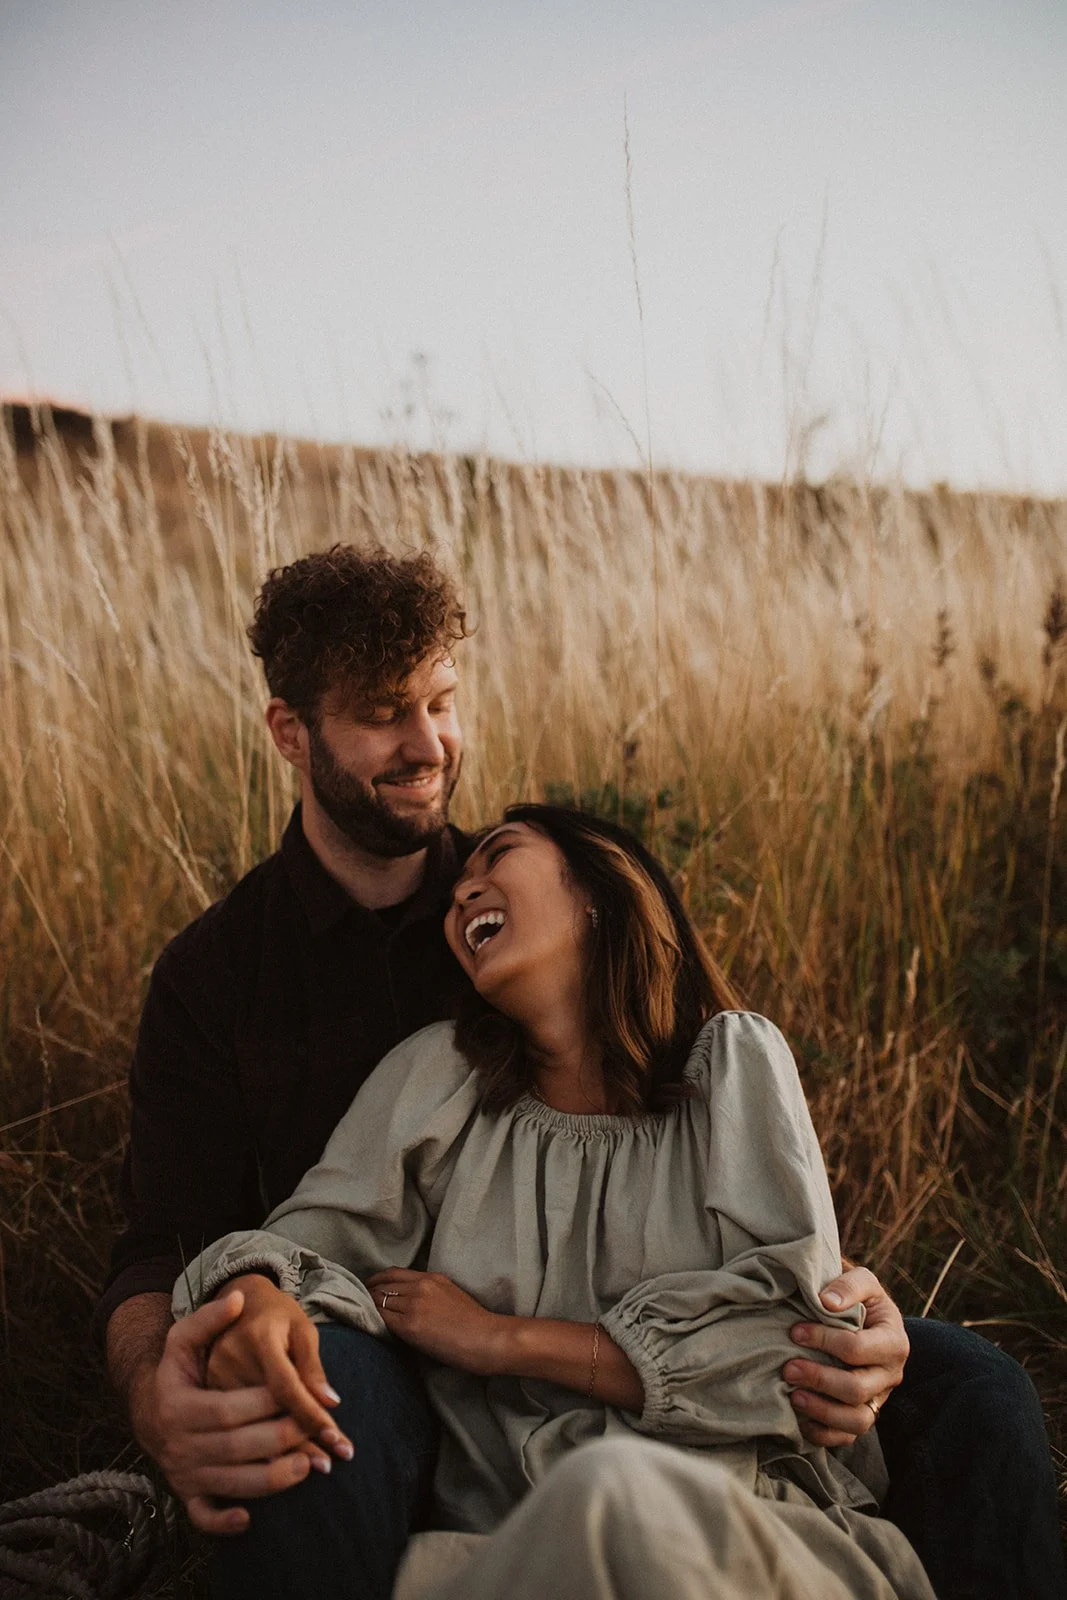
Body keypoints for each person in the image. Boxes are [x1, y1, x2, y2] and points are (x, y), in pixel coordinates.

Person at [98, 546, 1066, 1600]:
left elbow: (740, 1222)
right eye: (383, 713)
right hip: (399, 1355)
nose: (428, 744)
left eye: (441, 702)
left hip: (635, 1359)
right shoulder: (227, 976)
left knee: (970, 1380)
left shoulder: (525, 908)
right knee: (321, 1389)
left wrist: (849, 1303)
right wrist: (171, 1383)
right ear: (292, 732)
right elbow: (168, 1240)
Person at [174, 805, 936, 1600]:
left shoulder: (731, 1066)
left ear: (599, 891)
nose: (463, 895)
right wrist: (255, 1295)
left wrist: (501, 1340)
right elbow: (316, 1240)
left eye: (497, 858)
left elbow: (794, 1352)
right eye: (456, 892)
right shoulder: (438, 1078)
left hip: (738, 1541)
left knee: (613, 1495)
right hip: (502, 1557)